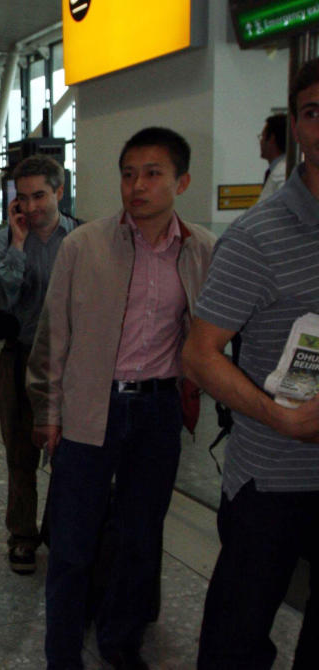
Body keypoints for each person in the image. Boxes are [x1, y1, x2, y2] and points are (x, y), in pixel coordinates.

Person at [27, 127, 214, 669]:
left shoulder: (201, 249)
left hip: (156, 410)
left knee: (140, 537)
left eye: (152, 174)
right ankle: (62, 653)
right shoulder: (85, 245)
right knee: (72, 543)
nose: (137, 185)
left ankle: (120, 641)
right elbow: (53, 335)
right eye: (129, 174)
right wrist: (48, 413)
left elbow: (205, 333)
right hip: (91, 407)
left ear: (181, 181)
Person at [186, 60, 319, 670]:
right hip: (272, 478)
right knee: (237, 641)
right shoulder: (258, 237)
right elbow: (199, 353)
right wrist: (278, 418)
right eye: (314, 113)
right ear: (295, 126)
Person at [0, 154, 77, 576]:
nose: (33, 206)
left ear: (59, 192)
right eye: (23, 198)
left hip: (70, 363)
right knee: (20, 455)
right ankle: (23, 535)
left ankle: (61, 531)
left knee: (70, 455)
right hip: (17, 357)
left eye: (40, 195)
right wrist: (18, 246)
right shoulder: (6, 241)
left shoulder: (80, 240)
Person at [257, 113, 288, 203]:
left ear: (271, 139)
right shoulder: (276, 170)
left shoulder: (283, 173)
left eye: (262, 137)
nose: (260, 142)